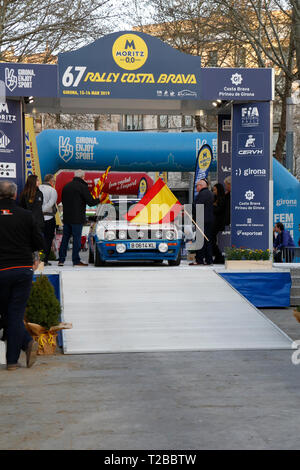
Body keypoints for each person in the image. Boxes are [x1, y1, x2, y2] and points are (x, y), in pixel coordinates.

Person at [0, 180, 44, 371]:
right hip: (22, 269)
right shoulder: (26, 215)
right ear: (15, 195)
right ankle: (14, 358)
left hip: (1, 270)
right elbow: (39, 242)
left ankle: (23, 346)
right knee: (15, 314)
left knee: (8, 315)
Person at [58, 169, 100, 266]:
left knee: (65, 238)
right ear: (83, 177)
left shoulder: (66, 186)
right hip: (77, 218)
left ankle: (61, 260)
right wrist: (98, 199)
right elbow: (90, 202)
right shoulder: (82, 187)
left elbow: (63, 201)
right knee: (77, 239)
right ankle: (76, 261)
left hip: (67, 217)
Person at [190, 178, 214, 265]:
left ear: (201, 186)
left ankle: (199, 260)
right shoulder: (210, 193)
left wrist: (186, 208)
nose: (196, 187)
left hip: (202, 220)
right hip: (208, 220)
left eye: (197, 185)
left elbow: (197, 207)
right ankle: (209, 260)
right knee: (207, 241)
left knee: (200, 241)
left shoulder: (202, 194)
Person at [39, 174, 58, 266]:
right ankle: (44, 260)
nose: (54, 183)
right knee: (48, 239)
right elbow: (51, 203)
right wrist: (43, 210)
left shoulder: (37, 188)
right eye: (54, 181)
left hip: (37, 218)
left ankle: (37, 259)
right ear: (50, 181)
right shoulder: (52, 190)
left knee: (37, 238)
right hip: (49, 218)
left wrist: (38, 211)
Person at [211, 183, 226, 264]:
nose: (213, 192)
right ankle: (218, 257)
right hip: (214, 222)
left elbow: (218, 210)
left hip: (218, 222)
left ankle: (219, 256)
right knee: (212, 240)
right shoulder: (215, 198)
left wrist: (213, 207)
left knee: (212, 240)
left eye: (215, 190)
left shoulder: (222, 199)